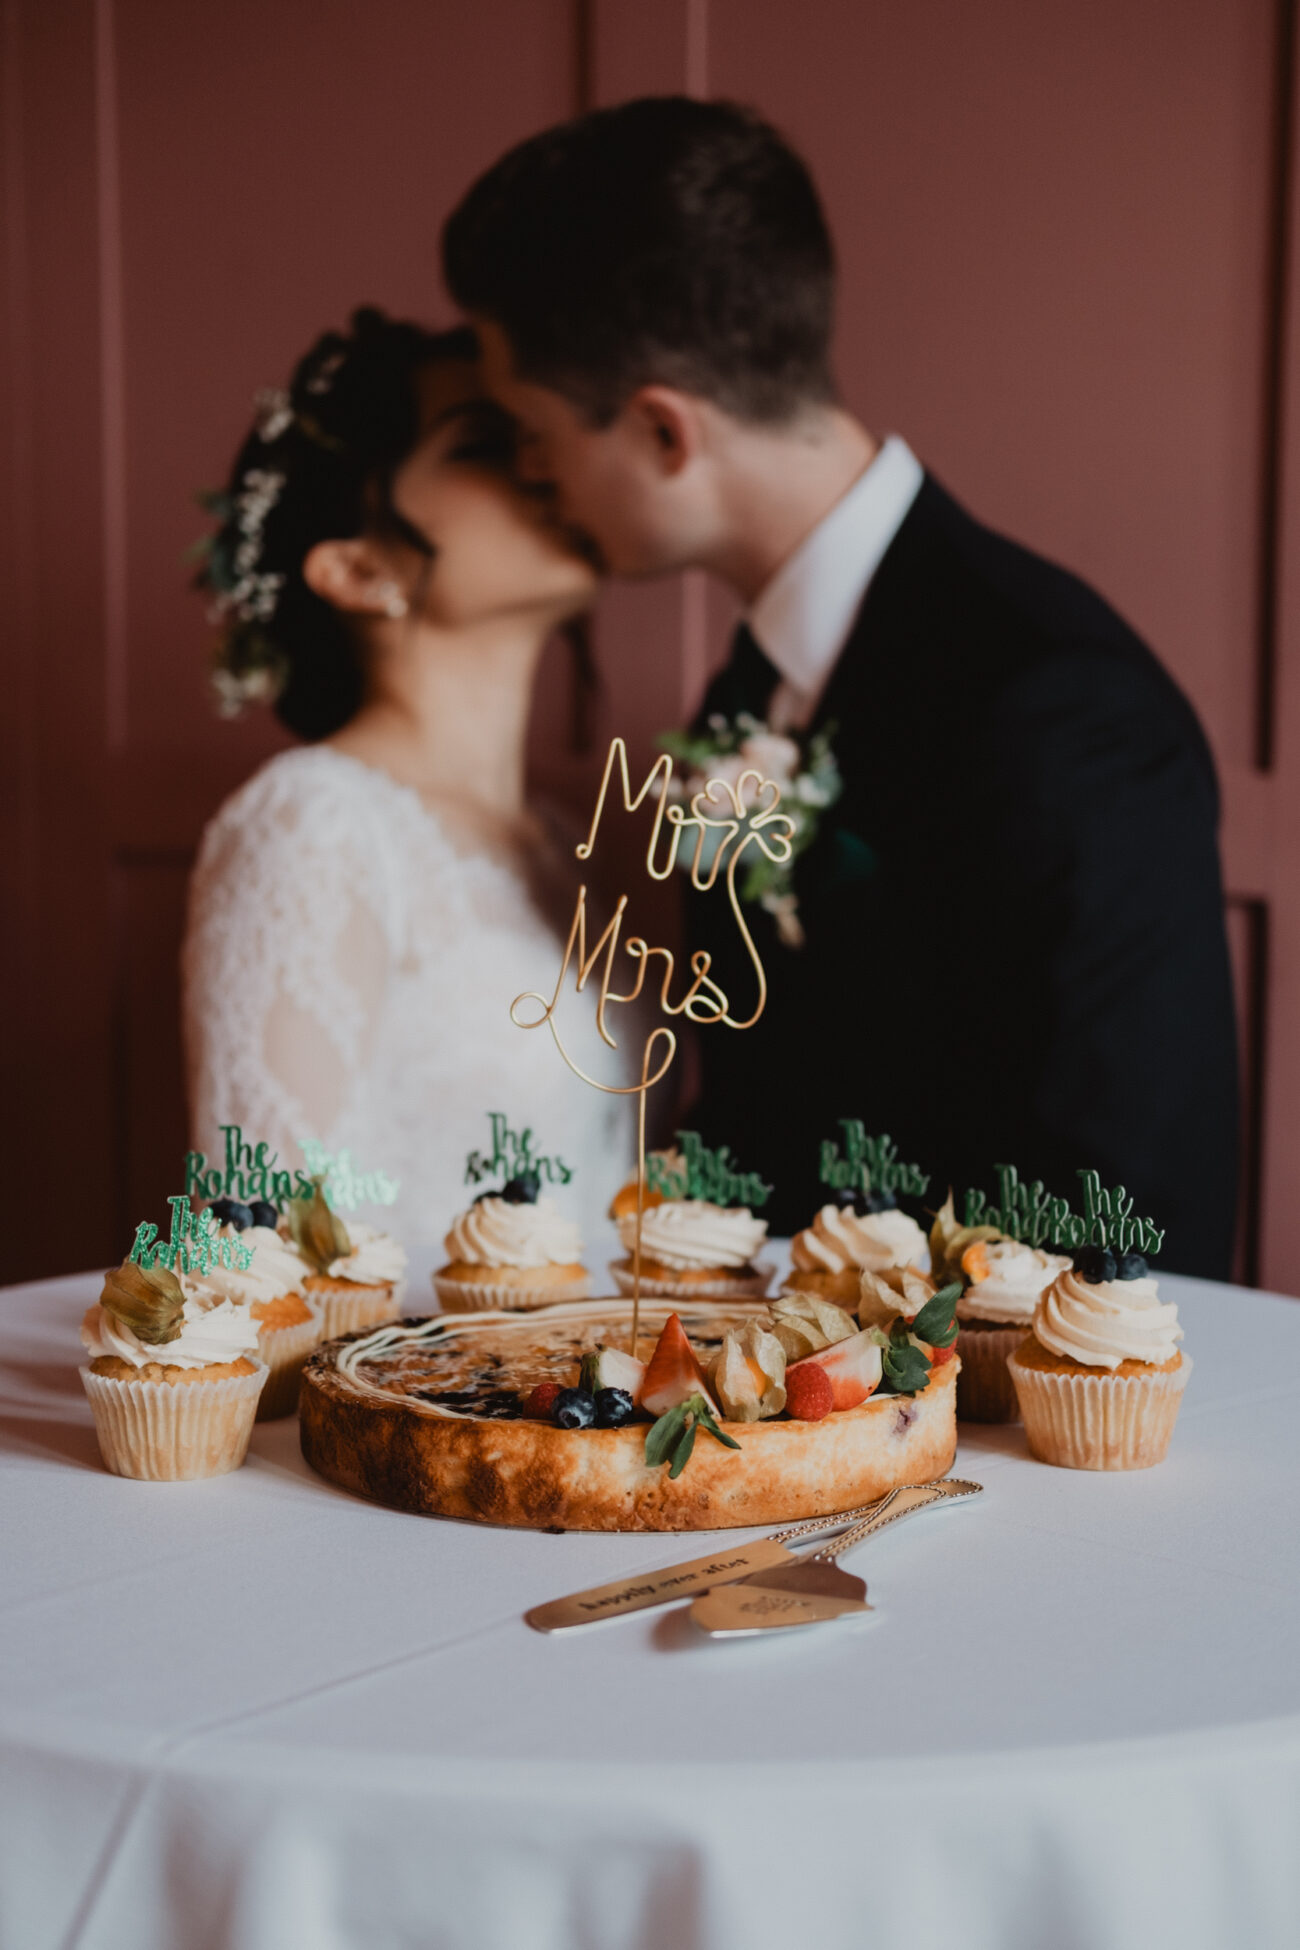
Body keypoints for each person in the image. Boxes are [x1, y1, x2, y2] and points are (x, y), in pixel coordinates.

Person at [441, 97, 1239, 1275]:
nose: (531, 472)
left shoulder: (1064, 710)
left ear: (664, 433)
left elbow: (1129, 1235)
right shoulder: (747, 689)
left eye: (533, 429)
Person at [183, 308, 633, 1250]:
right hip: (413, 1386)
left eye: (536, 434)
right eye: (484, 445)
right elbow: (274, 1244)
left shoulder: (561, 843)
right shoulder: (311, 824)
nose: (544, 464)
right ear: (359, 568)